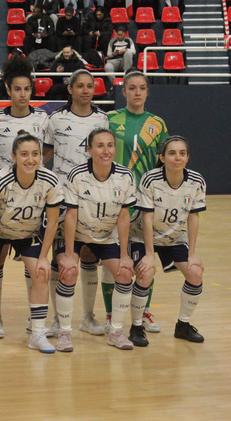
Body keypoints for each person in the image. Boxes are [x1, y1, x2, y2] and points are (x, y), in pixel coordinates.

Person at [0, 131, 62, 355]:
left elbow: (52, 222)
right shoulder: (0, 180)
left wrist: (44, 257)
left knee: (42, 273)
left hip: (27, 235)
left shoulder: (49, 180)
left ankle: (37, 334)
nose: (30, 159)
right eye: (24, 154)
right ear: (13, 157)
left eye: (35, 154)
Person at [0, 56, 50, 337]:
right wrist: (7, 167)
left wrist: (33, 166)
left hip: (33, 199)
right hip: (2, 199)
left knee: (31, 258)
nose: (22, 94)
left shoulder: (43, 119)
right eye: (17, 89)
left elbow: (48, 150)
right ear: (8, 90)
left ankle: (34, 322)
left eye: (27, 89)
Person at [43, 69, 109, 340]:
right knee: (60, 257)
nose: (85, 90)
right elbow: (45, 154)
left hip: (92, 198)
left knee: (89, 255)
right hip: (62, 197)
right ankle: (59, 319)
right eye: (79, 86)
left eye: (89, 86)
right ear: (69, 89)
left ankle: (88, 316)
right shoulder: (56, 118)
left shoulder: (102, 118)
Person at [58, 129, 136, 352]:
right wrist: (70, 253)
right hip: (79, 235)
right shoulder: (77, 175)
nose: (106, 150)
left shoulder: (125, 176)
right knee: (69, 271)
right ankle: (65, 332)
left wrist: (123, 254)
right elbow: (71, 215)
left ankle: (116, 331)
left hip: (106, 236)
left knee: (124, 272)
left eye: (110, 145)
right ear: (89, 149)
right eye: (100, 146)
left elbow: (123, 216)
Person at [103, 69, 169, 332]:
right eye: (132, 88)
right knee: (114, 260)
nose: (137, 93)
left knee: (143, 259)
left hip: (144, 202)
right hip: (114, 201)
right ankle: (110, 314)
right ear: (124, 91)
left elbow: (162, 164)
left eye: (142, 88)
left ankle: (144, 313)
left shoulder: (158, 124)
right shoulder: (109, 119)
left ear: (147, 92)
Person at [129, 136, 206, 346]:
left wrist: (191, 254)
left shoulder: (196, 181)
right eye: (172, 153)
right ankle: (136, 327)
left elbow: (193, 217)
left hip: (174, 238)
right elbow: (146, 218)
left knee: (196, 272)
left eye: (182, 153)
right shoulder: (150, 179)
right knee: (145, 273)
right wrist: (149, 253)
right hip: (142, 236)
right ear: (162, 157)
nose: (177, 157)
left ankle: (183, 325)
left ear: (188, 157)